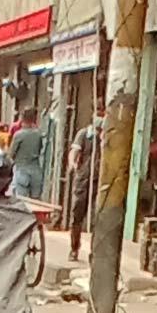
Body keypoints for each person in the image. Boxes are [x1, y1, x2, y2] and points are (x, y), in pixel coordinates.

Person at [66, 110, 101, 261]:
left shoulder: (105, 136)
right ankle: (74, 249)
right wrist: (73, 164)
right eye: (98, 113)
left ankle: (95, 252)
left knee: (97, 219)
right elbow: (74, 151)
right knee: (77, 215)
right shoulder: (84, 134)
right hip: (83, 179)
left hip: (99, 181)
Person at [8, 107, 45, 199]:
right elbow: (40, 149)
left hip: (21, 171)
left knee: (21, 202)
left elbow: (11, 154)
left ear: (22, 118)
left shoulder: (19, 135)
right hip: (36, 172)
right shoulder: (38, 134)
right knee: (36, 200)